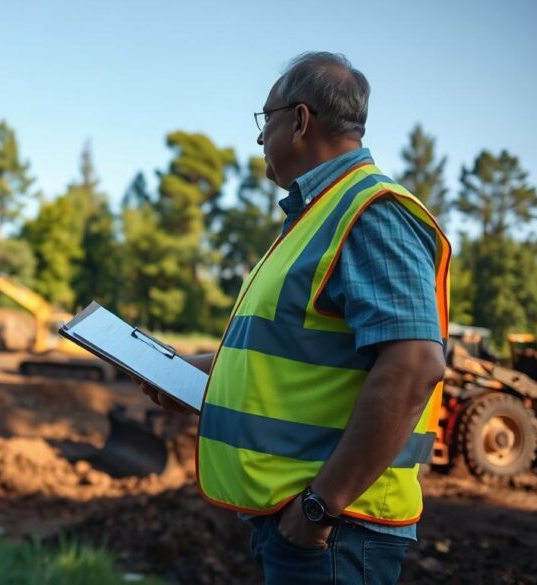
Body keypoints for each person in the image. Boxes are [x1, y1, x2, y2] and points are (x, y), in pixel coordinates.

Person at [137, 52, 450, 584]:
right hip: (309, 526)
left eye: (266, 120)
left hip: (334, 531)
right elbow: (300, 351)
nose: (260, 139)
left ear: (300, 121)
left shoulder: (370, 213)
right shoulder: (319, 215)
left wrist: (316, 511)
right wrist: (200, 372)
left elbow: (415, 364)